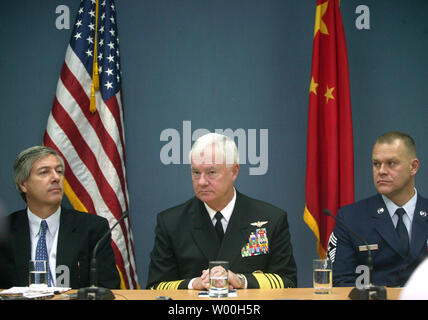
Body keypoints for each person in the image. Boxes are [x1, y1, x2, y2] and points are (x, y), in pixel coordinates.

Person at [146, 133, 297, 290]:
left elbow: (288, 282)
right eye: (196, 172)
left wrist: (242, 281)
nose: (202, 182)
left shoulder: (270, 218)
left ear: (234, 171)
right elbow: (155, 287)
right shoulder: (171, 222)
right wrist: (193, 284)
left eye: (211, 172)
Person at [0, 146, 120, 289]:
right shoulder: (4, 230)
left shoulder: (92, 228)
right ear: (23, 184)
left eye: (59, 171)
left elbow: (108, 287)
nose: (56, 178)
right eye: (44, 172)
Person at [328, 131, 428, 287]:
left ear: (413, 167)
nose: (381, 171)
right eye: (376, 164)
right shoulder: (350, 218)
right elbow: (340, 282)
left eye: (391, 163)